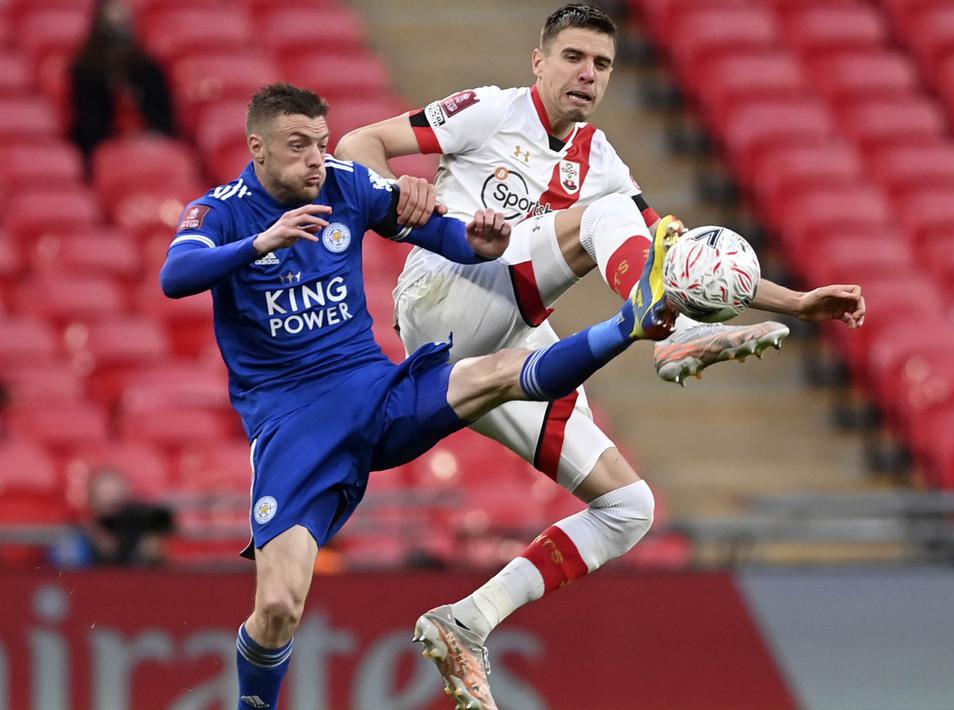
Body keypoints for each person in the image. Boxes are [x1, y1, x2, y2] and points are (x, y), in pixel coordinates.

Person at [336, 4, 866, 707]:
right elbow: (356, 140)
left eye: (602, 65)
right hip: (443, 300)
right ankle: (671, 339)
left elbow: (677, 259)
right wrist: (395, 188)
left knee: (628, 507)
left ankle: (466, 622)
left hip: (508, 342)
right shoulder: (489, 112)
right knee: (604, 217)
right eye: (574, 58)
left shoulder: (599, 158)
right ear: (539, 61)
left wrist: (795, 303)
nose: (587, 75)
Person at [160, 82, 682, 710]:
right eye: (298, 147)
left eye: (321, 145)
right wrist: (259, 244)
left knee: (496, 374)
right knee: (276, 607)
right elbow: (175, 276)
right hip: (293, 423)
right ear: (258, 148)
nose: (315, 160)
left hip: (375, 391)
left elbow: (437, 230)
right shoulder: (219, 211)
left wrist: (479, 243)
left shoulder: (346, 184)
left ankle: (631, 322)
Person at [68, 0, 178, 160]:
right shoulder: (86, 71)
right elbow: (87, 122)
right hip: (105, 144)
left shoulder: (147, 69)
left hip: (151, 141)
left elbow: (163, 114)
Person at [49, 467, 175, 568]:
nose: (112, 515)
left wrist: (150, 556)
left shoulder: (140, 541)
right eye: (105, 504)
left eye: (117, 504)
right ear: (91, 503)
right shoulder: (73, 543)